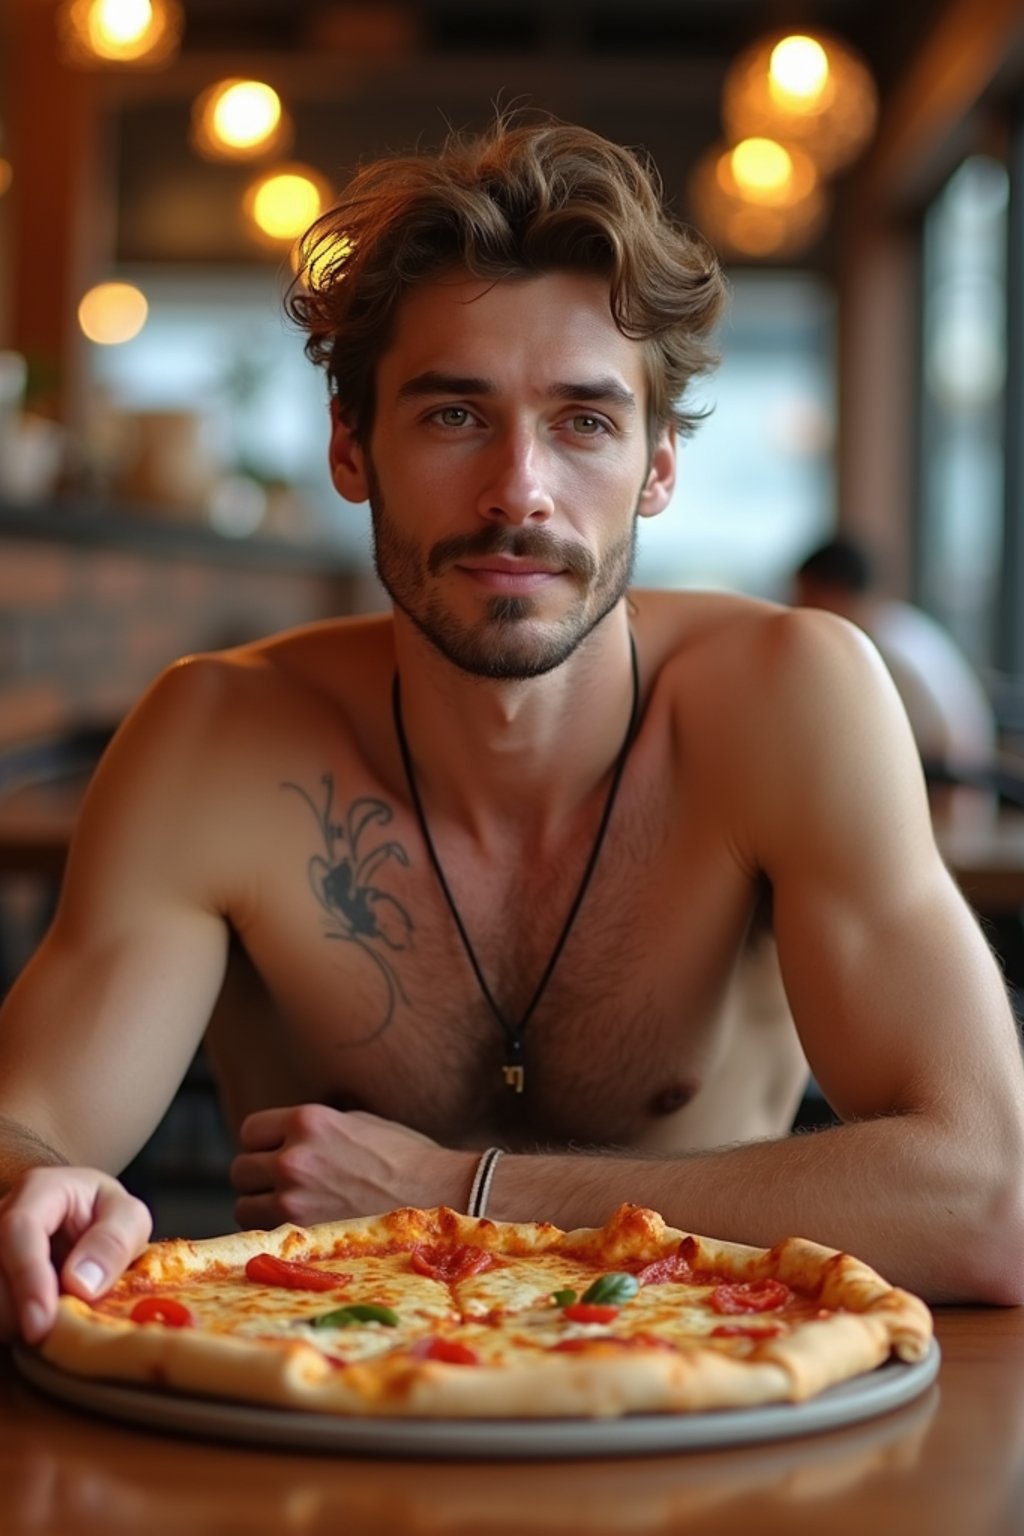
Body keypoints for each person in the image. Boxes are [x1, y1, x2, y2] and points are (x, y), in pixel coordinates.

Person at [2, 116, 1023, 1346]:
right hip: (317, 1432)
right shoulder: (215, 737)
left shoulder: (790, 699)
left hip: (711, 1417)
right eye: (451, 416)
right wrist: (31, 1190)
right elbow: (29, 1123)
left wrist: (458, 1192)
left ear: (656, 469)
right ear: (350, 449)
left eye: (584, 422)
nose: (518, 491)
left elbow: (990, 1201)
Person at [792, 535, 998, 809]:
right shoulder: (901, 625)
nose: (795, 607)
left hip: (945, 799)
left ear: (832, 592)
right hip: (967, 789)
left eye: (803, 595)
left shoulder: (871, 648)